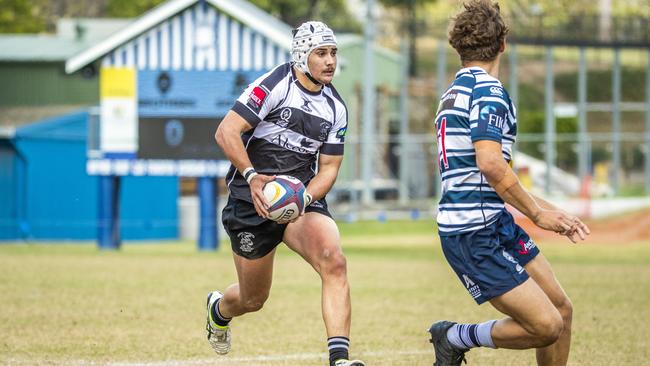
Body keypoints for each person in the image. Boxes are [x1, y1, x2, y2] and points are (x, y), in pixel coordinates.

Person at [429, 1, 591, 365]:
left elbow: (492, 176)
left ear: (458, 47)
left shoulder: (455, 91)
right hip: (472, 232)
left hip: (492, 222)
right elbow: (490, 164)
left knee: (561, 310)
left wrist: (550, 211)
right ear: (503, 44)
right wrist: (537, 215)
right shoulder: (488, 91)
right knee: (546, 325)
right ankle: (454, 336)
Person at [206, 21, 364, 366]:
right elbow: (226, 131)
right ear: (301, 55)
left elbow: (329, 169)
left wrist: (303, 199)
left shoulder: (336, 108)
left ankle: (339, 359)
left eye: (333, 53)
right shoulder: (275, 84)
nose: (330, 61)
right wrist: (251, 177)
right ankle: (218, 310)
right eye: (321, 53)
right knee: (252, 299)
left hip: (300, 202)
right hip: (251, 202)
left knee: (334, 261)